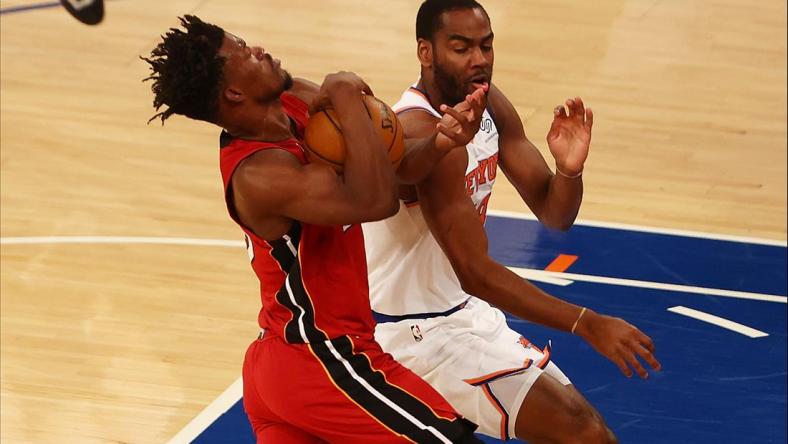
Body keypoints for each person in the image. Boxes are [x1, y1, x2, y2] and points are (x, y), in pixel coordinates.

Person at [142, 15, 490, 444]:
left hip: (290, 360)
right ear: (234, 92)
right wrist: (345, 96)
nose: (259, 49)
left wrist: (440, 141)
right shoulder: (258, 174)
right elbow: (375, 201)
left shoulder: (292, 101)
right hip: (321, 357)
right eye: (243, 52)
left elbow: (395, 170)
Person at [363, 1, 662, 443]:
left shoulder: (489, 104)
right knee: (584, 434)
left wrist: (569, 169)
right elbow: (474, 271)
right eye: (461, 47)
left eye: (486, 46)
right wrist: (586, 322)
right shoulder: (421, 128)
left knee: (588, 433)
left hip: (461, 313)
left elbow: (555, 213)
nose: (479, 59)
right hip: (415, 335)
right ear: (426, 52)